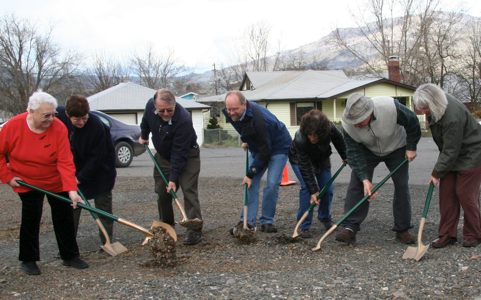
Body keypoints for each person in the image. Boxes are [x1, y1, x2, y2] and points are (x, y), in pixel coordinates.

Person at [0, 90, 89, 275]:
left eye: (53, 114)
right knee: (31, 218)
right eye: (45, 115)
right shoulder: (13, 126)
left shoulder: (58, 128)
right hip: (27, 180)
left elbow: (65, 161)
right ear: (31, 111)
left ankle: (70, 256)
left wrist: (71, 189)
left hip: (54, 179)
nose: (50, 119)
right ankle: (28, 260)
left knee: (64, 216)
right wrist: (8, 177)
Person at [335, 92, 421, 245]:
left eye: (359, 121)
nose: (356, 125)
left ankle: (403, 229)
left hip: (397, 147)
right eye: (353, 121)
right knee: (357, 185)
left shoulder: (389, 107)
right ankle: (350, 227)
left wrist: (411, 146)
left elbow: (413, 122)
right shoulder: (348, 125)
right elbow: (353, 152)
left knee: (401, 185)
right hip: (367, 150)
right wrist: (364, 178)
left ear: (369, 113)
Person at [413, 83, 481, 248]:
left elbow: (451, 149)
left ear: (434, 102)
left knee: (465, 194)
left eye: (425, 108)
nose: (423, 112)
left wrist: (436, 173)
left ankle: (474, 234)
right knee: (447, 194)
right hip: (451, 155)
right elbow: (448, 150)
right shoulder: (435, 108)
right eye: (420, 108)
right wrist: (440, 170)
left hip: (472, 153)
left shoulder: (452, 116)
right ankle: (447, 235)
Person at [139, 88, 203, 245]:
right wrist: (144, 135)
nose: (166, 113)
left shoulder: (184, 120)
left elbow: (179, 153)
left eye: (170, 110)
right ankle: (167, 226)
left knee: (188, 190)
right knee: (162, 192)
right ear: (155, 106)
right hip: (163, 155)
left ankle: (194, 230)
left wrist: (173, 178)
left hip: (187, 155)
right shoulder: (149, 106)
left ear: (175, 105)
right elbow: (146, 121)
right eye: (162, 110)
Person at [224, 90, 292, 233]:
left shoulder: (261, 120)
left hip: (278, 147)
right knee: (250, 184)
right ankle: (247, 222)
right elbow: (242, 126)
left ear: (244, 104)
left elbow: (265, 151)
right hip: (261, 145)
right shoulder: (230, 113)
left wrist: (251, 172)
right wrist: (246, 138)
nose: (231, 112)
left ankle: (267, 221)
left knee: (272, 184)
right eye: (229, 109)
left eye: (234, 109)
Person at [56, 95, 117, 247]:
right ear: (68, 115)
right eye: (77, 119)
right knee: (73, 207)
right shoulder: (60, 118)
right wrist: (72, 177)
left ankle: (107, 241)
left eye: (84, 118)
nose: (82, 122)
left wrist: (80, 177)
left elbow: (97, 158)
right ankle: (68, 246)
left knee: (103, 208)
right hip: (74, 171)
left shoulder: (97, 127)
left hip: (101, 172)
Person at [289, 109, 347, 238]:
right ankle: (303, 225)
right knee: (307, 189)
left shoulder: (329, 128)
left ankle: (325, 218)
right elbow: (305, 167)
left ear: (322, 131)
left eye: (315, 135)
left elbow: (339, 140)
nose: (312, 138)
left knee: (327, 188)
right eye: (309, 135)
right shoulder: (300, 139)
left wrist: (345, 155)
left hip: (321, 158)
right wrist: (313, 190)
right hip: (300, 160)